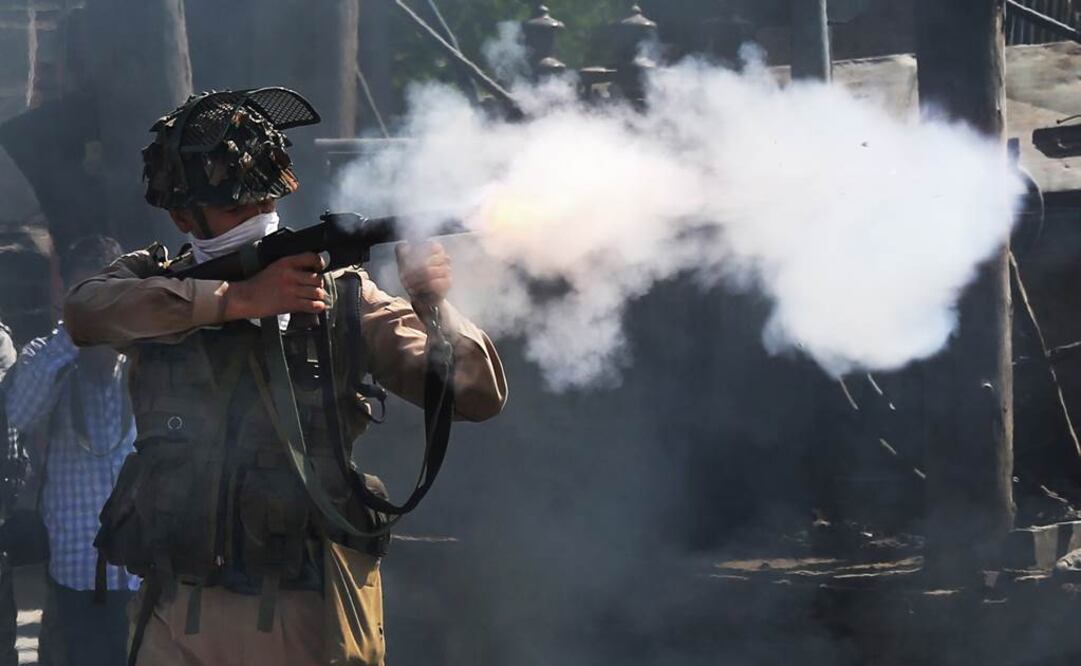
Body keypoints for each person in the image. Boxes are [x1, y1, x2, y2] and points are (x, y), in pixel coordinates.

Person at [64, 88, 507, 666]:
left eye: (265, 198)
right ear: (182, 217)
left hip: (299, 611)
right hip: (175, 608)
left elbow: (476, 396)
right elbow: (84, 314)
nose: (258, 217)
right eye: (235, 208)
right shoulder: (157, 284)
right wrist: (236, 300)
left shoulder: (342, 296)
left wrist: (433, 305)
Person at [5, 235, 138, 666]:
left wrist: (124, 328)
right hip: (77, 570)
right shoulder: (44, 354)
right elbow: (20, 412)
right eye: (85, 295)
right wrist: (75, 333)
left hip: (143, 570)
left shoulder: (144, 355)